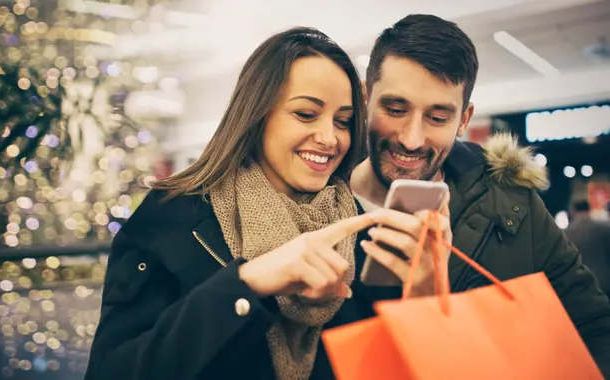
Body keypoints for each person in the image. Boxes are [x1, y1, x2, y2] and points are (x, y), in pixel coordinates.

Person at [85, 27, 434, 380]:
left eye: (342, 122)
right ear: (258, 113)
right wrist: (246, 282)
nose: (330, 138)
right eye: (306, 114)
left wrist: (423, 296)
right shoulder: (172, 216)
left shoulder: (360, 230)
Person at [350, 14, 610, 375]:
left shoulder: (512, 202)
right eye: (395, 109)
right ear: (365, 99)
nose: (411, 139)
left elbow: (594, 327)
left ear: (465, 120)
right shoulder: (312, 207)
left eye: (438, 118)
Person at [566, 200, 610, 295]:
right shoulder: (604, 228)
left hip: (581, 286)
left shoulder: (567, 234)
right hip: (605, 282)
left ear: (573, 211)